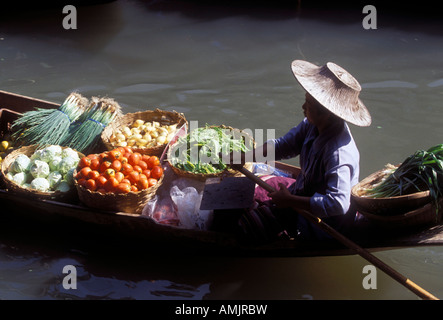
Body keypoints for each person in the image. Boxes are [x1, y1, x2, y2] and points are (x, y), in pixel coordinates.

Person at [230, 60, 372, 243]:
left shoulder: (338, 153)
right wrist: (245, 157)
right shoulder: (313, 126)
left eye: (308, 104)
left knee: (243, 227)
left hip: (322, 221)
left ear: (326, 112)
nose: (303, 108)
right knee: (251, 183)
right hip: (303, 192)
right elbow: (284, 145)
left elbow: (338, 204)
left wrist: (290, 201)